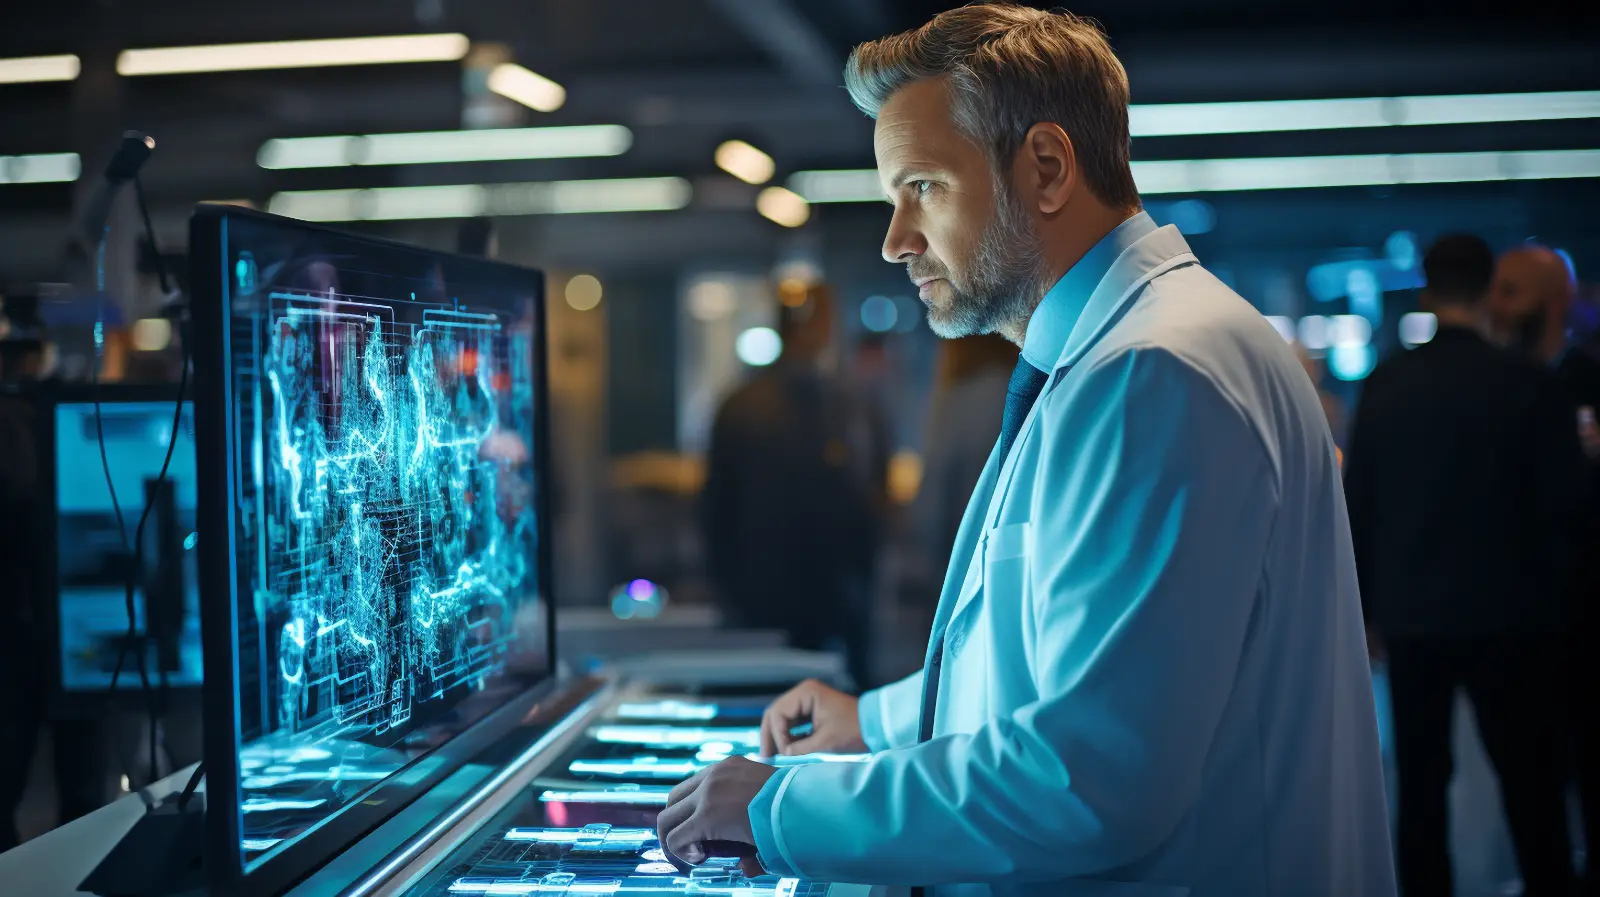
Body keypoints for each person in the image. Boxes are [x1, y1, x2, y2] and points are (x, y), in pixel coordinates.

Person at [660, 6, 1395, 895]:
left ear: (1046, 168)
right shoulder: (1121, 354)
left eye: (923, 186)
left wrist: (783, 809)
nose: (896, 239)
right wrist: (883, 721)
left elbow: (1092, 777)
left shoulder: (1152, 374)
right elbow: (1074, 666)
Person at [1344, 234, 1586, 897]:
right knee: (1531, 790)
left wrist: (1366, 611)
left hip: (1414, 620)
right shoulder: (1530, 385)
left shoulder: (1386, 385)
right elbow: (1564, 510)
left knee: (1421, 790)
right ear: (1487, 293)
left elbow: (1357, 504)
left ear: (1426, 291)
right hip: (1514, 622)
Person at [701, 284, 889, 690]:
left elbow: (715, 514)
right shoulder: (840, 404)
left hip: (769, 598)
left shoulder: (744, 403)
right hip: (821, 597)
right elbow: (865, 501)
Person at [1491, 245, 1600, 894]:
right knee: (1529, 784)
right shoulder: (1491, 385)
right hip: (1515, 617)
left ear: (1555, 299)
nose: (1497, 305)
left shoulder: (1585, 381)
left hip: (1583, 614)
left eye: (1511, 291)